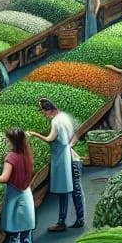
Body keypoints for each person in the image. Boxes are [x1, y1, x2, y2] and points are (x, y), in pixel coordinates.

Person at [30, 99, 86, 232]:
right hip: (71, 156)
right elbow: (75, 135)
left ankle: (74, 220)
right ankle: (73, 220)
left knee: (68, 191)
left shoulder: (56, 121)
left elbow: (50, 139)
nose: (43, 113)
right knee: (71, 190)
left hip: (66, 160)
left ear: (49, 109)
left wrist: (34, 134)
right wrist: (69, 145)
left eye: (43, 110)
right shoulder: (64, 116)